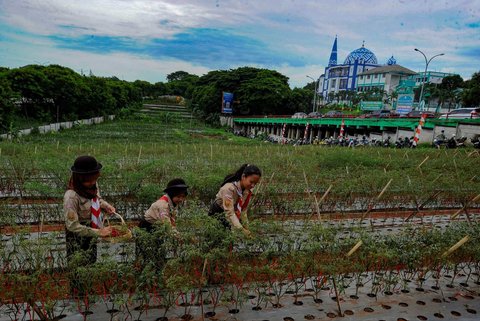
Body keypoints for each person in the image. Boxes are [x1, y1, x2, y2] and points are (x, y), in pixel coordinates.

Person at [64, 155, 115, 264]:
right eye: (88, 181)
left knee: (91, 260)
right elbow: (72, 226)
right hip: (77, 235)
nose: (92, 183)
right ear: (79, 178)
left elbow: (96, 199)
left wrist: (106, 205)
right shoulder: (71, 197)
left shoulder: (92, 185)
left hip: (92, 229)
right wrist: (99, 232)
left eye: (95, 179)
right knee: (78, 265)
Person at [208, 164, 262, 236]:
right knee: (218, 237)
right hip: (218, 213)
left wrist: (247, 228)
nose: (253, 185)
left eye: (255, 183)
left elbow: (243, 211)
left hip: (232, 212)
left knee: (231, 239)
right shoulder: (229, 189)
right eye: (251, 182)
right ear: (243, 177)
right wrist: (241, 229)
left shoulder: (247, 190)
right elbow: (229, 213)